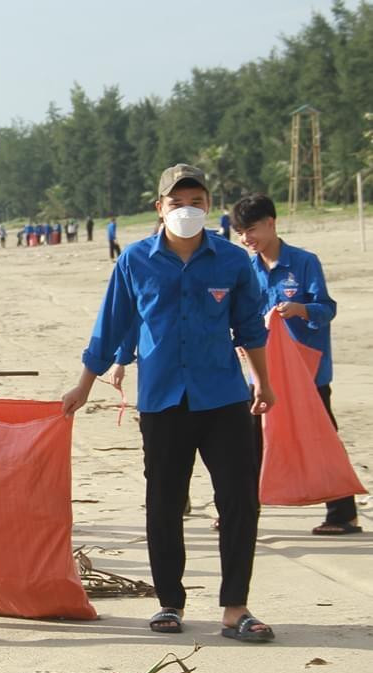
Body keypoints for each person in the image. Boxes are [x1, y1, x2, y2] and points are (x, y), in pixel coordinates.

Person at [61, 164, 277, 643]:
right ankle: (169, 602)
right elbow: (109, 328)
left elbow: (250, 328)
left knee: (239, 500)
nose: (187, 210)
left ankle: (235, 608)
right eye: (177, 202)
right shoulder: (135, 261)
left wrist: (262, 382)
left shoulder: (231, 261)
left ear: (209, 206)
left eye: (196, 200)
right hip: (162, 400)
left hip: (223, 397)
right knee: (163, 502)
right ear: (159, 208)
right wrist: (83, 386)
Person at [232, 193, 361, 536]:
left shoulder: (304, 263)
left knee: (322, 437)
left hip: (308, 372)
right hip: (261, 372)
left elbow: (326, 309)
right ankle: (243, 511)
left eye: (251, 229)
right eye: (240, 233)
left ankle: (343, 513)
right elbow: (241, 316)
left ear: (271, 223)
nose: (246, 239)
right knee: (251, 441)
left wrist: (301, 310)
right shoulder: (247, 269)